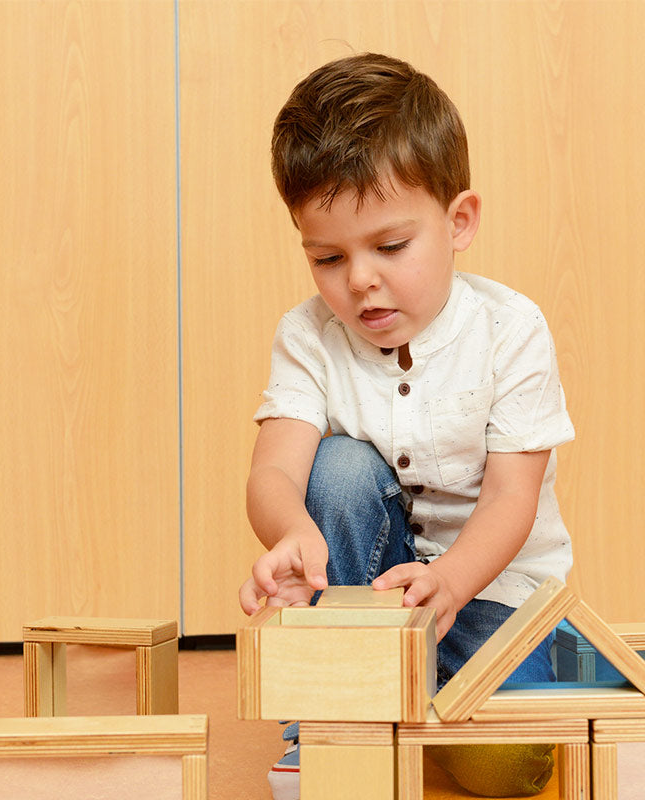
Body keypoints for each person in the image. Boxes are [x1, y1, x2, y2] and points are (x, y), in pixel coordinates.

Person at [239, 53, 573, 799]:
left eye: (390, 247)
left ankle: (416, 692)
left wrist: (449, 583)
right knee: (339, 466)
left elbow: (512, 499)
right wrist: (290, 533)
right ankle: (334, 704)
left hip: (486, 588)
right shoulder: (309, 336)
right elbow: (275, 472)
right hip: (369, 595)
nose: (358, 279)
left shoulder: (512, 330)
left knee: (507, 772)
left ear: (459, 222)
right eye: (328, 257)